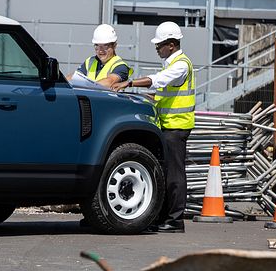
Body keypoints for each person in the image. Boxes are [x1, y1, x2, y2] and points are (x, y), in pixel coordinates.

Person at [113, 21, 194, 233]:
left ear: (171, 45)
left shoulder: (181, 65)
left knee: (175, 175)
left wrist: (129, 83)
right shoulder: (172, 63)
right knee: (166, 173)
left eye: (159, 45)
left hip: (177, 128)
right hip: (167, 126)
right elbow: (162, 94)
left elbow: (158, 81)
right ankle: (165, 218)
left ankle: (175, 221)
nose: (157, 48)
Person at [67, 24, 133, 88]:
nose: (100, 50)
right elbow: (73, 77)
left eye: (105, 46)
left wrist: (85, 86)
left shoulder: (120, 66)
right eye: (97, 46)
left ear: (114, 46)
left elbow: (109, 82)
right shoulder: (90, 61)